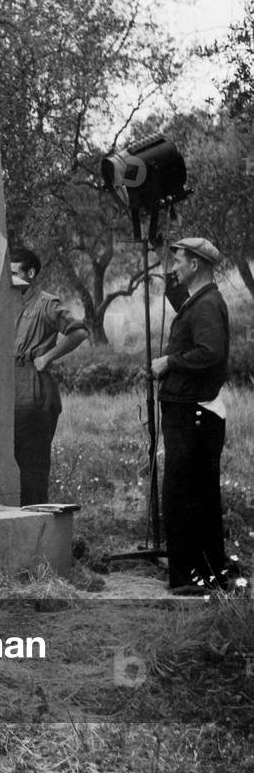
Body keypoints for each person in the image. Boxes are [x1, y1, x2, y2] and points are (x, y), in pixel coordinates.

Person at [151, 237, 232, 594]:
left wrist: (169, 361)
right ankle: (207, 572)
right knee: (196, 493)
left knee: (183, 494)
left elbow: (210, 353)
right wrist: (158, 247)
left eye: (180, 260)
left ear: (196, 265)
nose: (175, 267)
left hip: (192, 414)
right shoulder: (200, 300)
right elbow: (175, 295)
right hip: (192, 411)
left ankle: (189, 579)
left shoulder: (206, 305)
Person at [11, 247, 89, 507]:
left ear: (30, 273)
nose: (8, 279)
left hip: (34, 389)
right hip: (9, 387)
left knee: (32, 467)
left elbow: (78, 332)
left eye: (14, 272)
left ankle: (36, 530)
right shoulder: (9, 303)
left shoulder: (45, 303)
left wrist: (47, 357)